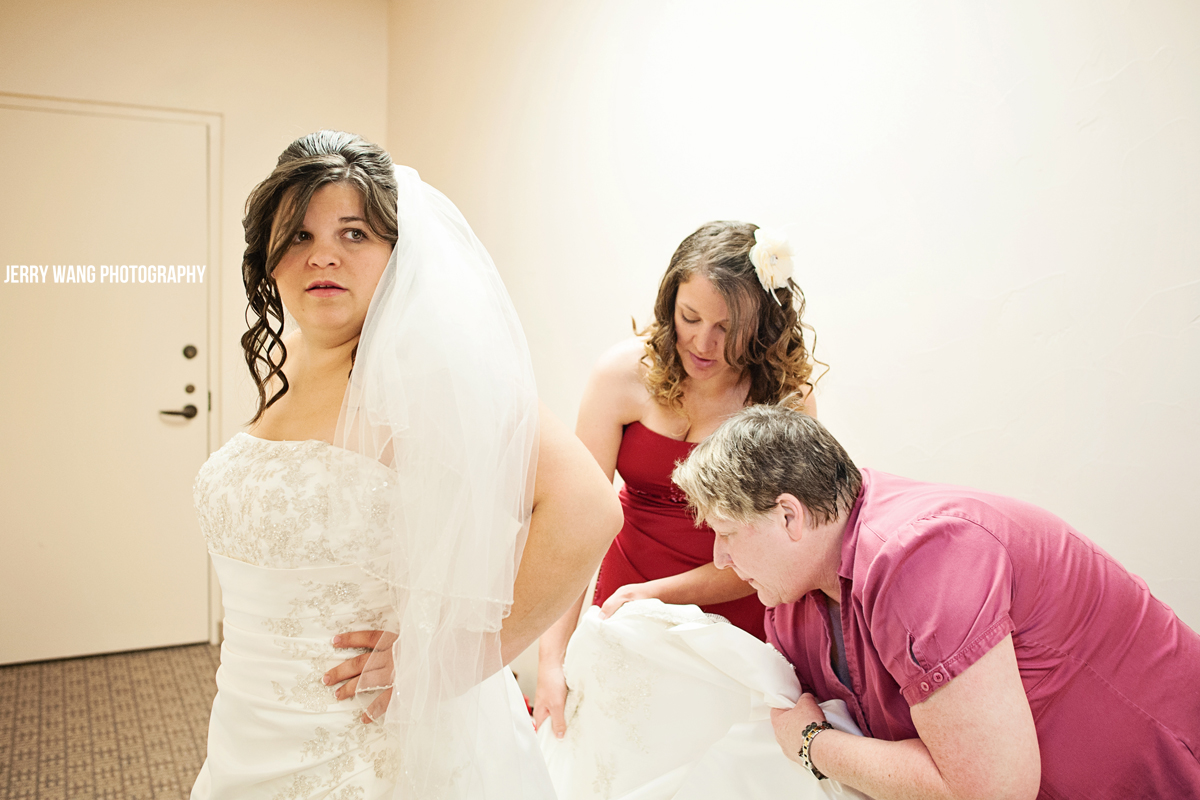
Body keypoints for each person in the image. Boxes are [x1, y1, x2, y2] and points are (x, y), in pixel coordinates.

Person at [191, 130, 621, 800]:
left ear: (397, 252)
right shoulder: (288, 356)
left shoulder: (429, 374)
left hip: (369, 738)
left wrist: (453, 661)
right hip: (249, 710)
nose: (323, 255)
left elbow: (588, 510)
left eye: (355, 233)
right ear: (268, 259)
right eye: (298, 236)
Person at [672, 404, 1200, 800]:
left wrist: (812, 744)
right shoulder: (790, 607)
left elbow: (990, 791)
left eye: (726, 533)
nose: (719, 558)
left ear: (790, 516)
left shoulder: (920, 557)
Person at [534, 221, 820, 739]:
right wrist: (550, 658)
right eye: (690, 317)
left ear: (762, 325)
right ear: (670, 304)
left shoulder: (784, 399)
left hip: (736, 612)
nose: (704, 343)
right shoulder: (621, 374)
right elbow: (573, 522)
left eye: (727, 329)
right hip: (624, 604)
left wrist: (660, 594)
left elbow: (792, 551)